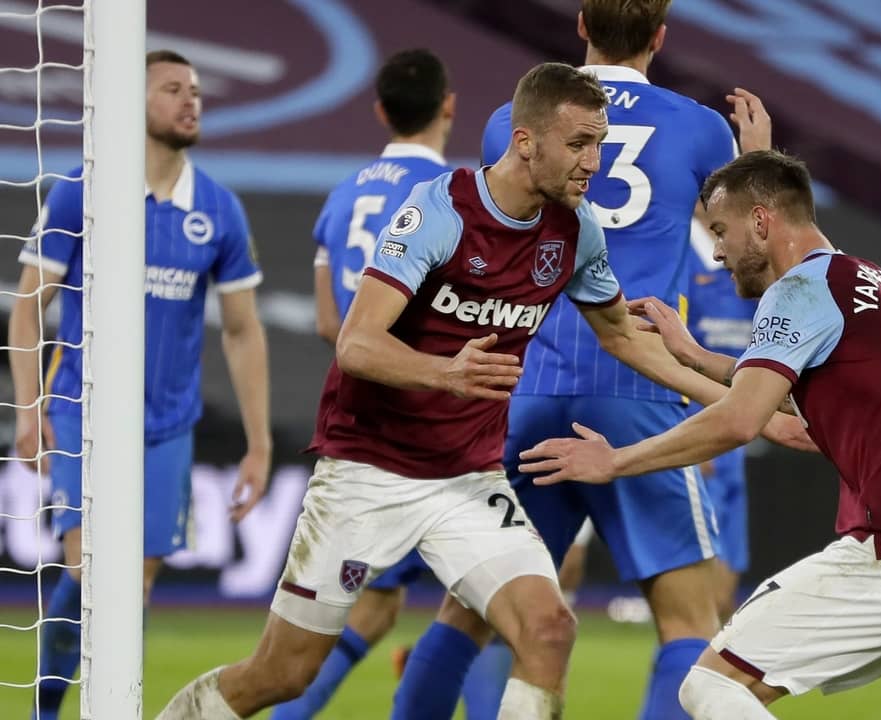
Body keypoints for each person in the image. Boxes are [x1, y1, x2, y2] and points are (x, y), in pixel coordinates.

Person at [157, 62, 807, 720]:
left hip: (467, 477)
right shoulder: (440, 211)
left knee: (549, 628)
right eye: (580, 145)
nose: (595, 163)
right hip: (368, 471)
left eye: (600, 144)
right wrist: (447, 373)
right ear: (526, 143)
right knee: (283, 674)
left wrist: (736, 405)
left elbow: (624, 337)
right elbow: (355, 343)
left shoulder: (575, 231)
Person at [519, 150, 881, 720]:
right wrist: (696, 359)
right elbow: (788, 427)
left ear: (762, 221)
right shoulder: (864, 280)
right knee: (738, 687)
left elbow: (741, 422)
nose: (719, 251)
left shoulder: (800, 290)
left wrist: (614, 462)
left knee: (708, 687)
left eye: (721, 231)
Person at [395, 2, 771, 716]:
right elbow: (748, 243)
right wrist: (756, 161)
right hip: (638, 384)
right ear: (660, 37)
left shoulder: (514, 122)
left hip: (526, 384)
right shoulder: (699, 126)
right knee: (690, 623)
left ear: (579, 27)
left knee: (467, 612)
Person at [9, 50, 271, 720]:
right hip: (81, 415)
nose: (192, 101)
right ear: (133, 103)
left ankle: (107, 707)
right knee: (91, 576)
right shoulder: (80, 190)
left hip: (169, 429)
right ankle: (45, 709)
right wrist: (28, 408)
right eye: (173, 89)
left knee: (134, 588)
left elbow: (243, 331)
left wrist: (260, 442)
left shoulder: (217, 210)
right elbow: (27, 304)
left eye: (198, 91)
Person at [269, 48, 463, 720]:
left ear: (380, 109)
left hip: (359, 427)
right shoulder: (461, 196)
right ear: (449, 106)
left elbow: (332, 321)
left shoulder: (344, 194)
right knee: (495, 605)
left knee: (369, 608)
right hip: (443, 430)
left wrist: (375, 354)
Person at [685, 220, 759, 621]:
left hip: (736, 443)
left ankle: (712, 676)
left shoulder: (754, 264)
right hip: (702, 435)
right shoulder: (682, 257)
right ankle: (688, 677)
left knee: (726, 592)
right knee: (701, 602)